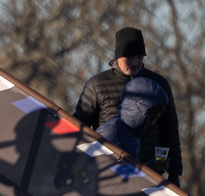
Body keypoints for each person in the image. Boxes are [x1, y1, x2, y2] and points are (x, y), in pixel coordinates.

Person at [75, 27, 183, 186]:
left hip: (151, 173)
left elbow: (170, 130)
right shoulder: (97, 85)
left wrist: (175, 172)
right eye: (129, 57)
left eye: (139, 57)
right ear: (118, 57)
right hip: (110, 171)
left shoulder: (159, 85)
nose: (135, 62)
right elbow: (79, 125)